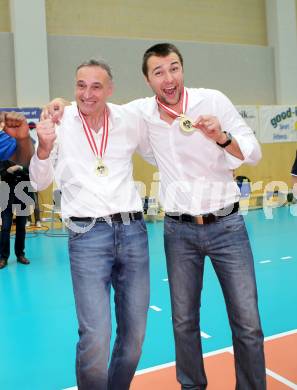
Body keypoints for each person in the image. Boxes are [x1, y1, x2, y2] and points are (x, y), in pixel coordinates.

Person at [43, 43, 266, 389]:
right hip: (178, 230)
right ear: (147, 80)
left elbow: (252, 153)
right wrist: (59, 103)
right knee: (183, 321)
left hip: (227, 225)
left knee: (248, 322)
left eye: (173, 68)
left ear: (182, 69)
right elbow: (91, 100)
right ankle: (192, 385)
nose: (168, 77)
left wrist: (222, 136)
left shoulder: (213, 101)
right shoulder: (140, 113)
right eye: (158, 72)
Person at [29, 60, 152, 390]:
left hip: (133, 231)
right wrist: (43, 148)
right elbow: (39, 183)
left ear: (110, 90)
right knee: (95, 336)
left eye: (96, 86)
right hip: (87, 235)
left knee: (135, 336)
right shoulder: (58, 120)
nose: (87, 93)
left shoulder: (128, 119)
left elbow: (162, 126)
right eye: (81, 85)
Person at [0, 160, 32, 269]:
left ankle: (20, 255)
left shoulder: (26, 156)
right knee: (5, 227)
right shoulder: (3, 156)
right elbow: (2, 174)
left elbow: (31, 173)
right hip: (6, 195)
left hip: (23, 194)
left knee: (21, 227)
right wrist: (11, 169)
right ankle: (3, 257)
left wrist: (20, 168)